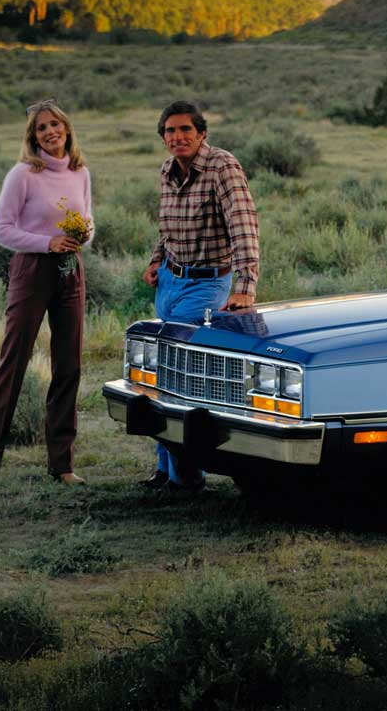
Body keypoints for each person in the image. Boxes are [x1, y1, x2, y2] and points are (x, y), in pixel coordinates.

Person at [141, 100, 259, 492]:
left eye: (185, 130)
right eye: (170, 131)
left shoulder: (222, 166)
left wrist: (245, 286)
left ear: (201, 133)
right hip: (170, 282)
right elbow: (166, 224)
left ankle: (185, 476)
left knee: (181, 373)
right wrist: (157, 260)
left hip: (208, 284)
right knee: (162, 371)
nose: (178, 137)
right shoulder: (166, 171)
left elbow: (243, 225)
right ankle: (165, 470)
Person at [0, 99, 92, 486]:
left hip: (71, 271)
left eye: (55, 124)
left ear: (67, 127)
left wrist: (82, 235)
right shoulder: (23, 174)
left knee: (69, 366)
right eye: (42, 128)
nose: (50, 132)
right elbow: (1, 229)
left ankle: (62, 465)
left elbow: (89, 222)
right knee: (15, 363)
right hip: (32, 270)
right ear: (33, 137)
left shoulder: (80, 172)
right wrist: (47, 243)